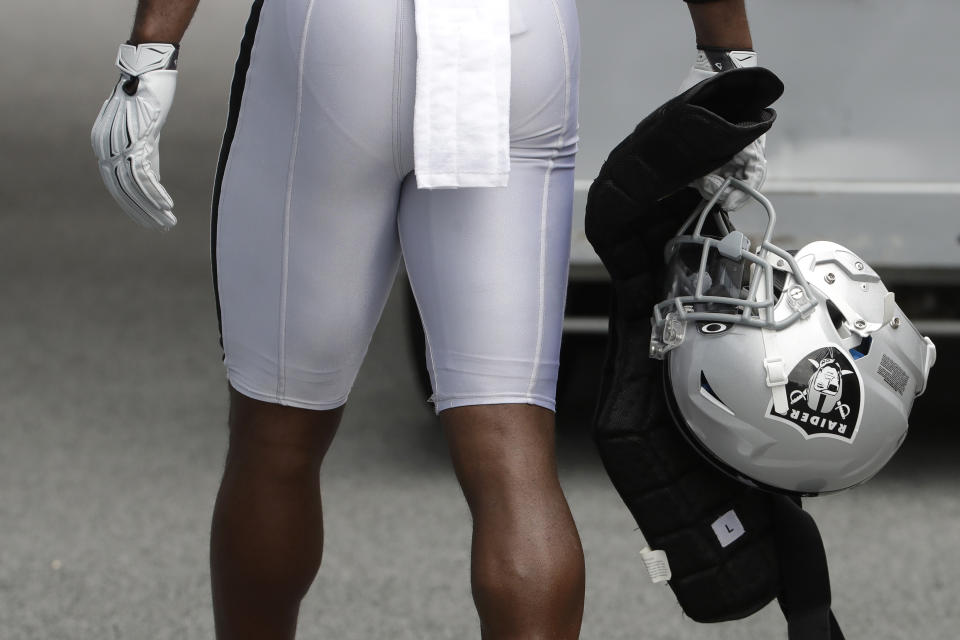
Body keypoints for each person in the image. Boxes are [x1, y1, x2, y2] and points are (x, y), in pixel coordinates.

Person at [91, 0, 759, 637]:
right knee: (511, 450)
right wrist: (727, 53)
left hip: (339, 38)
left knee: (276, 437)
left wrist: (152, 51)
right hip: (518, 41)